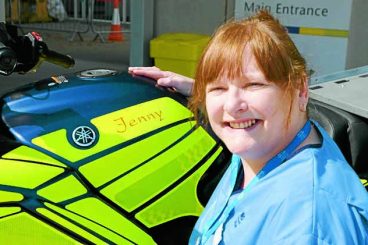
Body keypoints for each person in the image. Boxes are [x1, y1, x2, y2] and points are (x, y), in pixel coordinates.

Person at [129, 10, 368, 244]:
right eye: (218, 88)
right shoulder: (272, 144)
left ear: (301, 89)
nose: (231, 106)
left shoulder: (309, 222)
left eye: (253, 85)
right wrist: (198, 91)